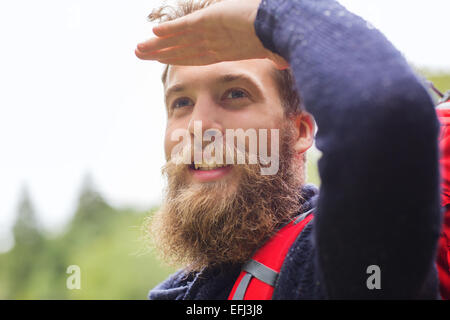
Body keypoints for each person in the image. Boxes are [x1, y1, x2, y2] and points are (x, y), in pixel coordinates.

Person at [135, 0, 444, 299]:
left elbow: (388, 113)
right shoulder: (177, 292)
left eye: (235, 93)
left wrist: (275, 15)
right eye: (182, 102)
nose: (197, 126)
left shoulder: (332, 265)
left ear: (301, 131)